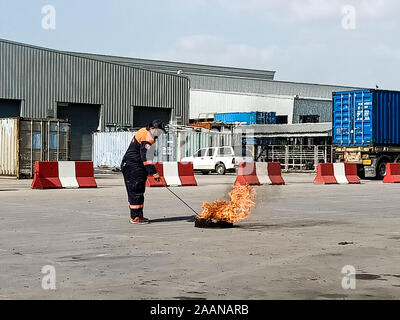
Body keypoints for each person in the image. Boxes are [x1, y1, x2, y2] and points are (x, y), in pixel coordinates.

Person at [121, 120, 166, 224]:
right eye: (159, 131)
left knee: (136, 191)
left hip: (130, 165)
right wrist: (154, 173)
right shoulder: (148, 138)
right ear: (152, 129)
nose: (160, 134)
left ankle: (137, 215)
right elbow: (146, 158)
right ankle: (135, 217)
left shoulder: (142, 131)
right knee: (136, 191)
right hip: (134, 166)